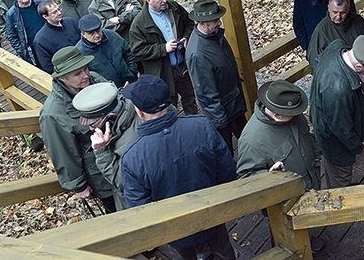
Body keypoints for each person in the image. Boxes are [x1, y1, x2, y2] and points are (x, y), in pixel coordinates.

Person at [120, 74, 236, 260]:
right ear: (169, 104)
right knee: (223, 254)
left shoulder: (132, 158)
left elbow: (139, 211)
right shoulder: (202, 126)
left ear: (139, 113)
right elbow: (227, 172)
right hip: (211, 215)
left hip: (174, 230)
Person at [39, 46, 116, 213]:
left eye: (86, 69)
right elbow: (63, 153)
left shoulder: (94, 79)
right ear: (62, 78)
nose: (86, 75)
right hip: (101, 175)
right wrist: (79, 186)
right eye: (77, 74)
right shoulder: (53, 114)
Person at [310, 35, 364, 188]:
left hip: (324, 120)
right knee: (341, 177)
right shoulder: (339, 89)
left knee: (331, 170)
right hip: (333, 142)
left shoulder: (337, 46)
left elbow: (316, 61)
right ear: (360, 66)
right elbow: (341, 129)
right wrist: (358, 147)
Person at [186, 0, 247, 154]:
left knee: (249, 141)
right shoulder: (198, 54)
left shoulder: (215, 35)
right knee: (226, 154)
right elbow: (206, 94)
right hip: (222, 115)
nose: (219, 23)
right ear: (202, 23)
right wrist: (221, 121)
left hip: (234, 106)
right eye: (214, 20)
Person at [237, 80, 321, 191]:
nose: (297, 114)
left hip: (313, 182)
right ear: (277, 115)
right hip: (288, 197)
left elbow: (307, 138)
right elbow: (245, 179)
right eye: (291, 114)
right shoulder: (251, 140)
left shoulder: (291, 113)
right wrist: (270, 177)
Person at [129, 0, 197, 115]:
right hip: (162, 73)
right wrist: (163, 49)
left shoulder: (174, 8)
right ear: (148, 0)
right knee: (168, 105)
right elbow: (137, 51)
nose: (164, 0)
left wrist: (186, 37)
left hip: (183, 66)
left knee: (190, 98)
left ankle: (194, 126)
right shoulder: (139, 23)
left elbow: (189, 23)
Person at [72, 82, 141, 210]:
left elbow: (125, 182)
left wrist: (101, 152)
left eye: (93, 124)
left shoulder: (132, 142)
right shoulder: (127, 112)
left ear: (110, 118)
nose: (90, 128)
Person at [306, 0, 364, 66]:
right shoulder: (321, 30)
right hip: (336, 74)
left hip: (361, 69)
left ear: (348, 9)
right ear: (328, 8)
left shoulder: (358, 21)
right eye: (335, 12)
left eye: (342, 13)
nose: (338, 17)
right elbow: (314, 60)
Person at [76, 14, 138, 88]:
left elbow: (128, 52)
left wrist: (132, 71)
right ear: (83, 34)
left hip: (131, 82)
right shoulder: (80, 52)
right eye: (91, 33)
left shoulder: (112, 35)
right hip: (108, 91)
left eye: (98, 30)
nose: (96, 35)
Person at [33, 0, 80, 73]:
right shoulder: (41, 40)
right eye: (54, 12)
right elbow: (47, 66)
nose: (59, 13)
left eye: (58, 9)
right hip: (68, 72)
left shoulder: (71, 22)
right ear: (45, 16)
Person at [5, 0, 44, 65]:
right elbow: (12, 36)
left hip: (50, 42)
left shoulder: (41, 3)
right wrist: (23, 53)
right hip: (34, 50)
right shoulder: (11, 14)